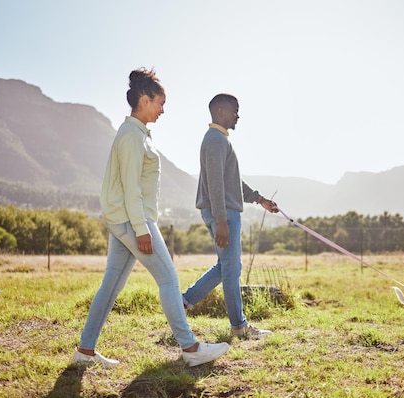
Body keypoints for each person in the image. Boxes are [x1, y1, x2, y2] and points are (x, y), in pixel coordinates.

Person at [73, 68, 229, 368]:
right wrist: (142, 229)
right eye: (160, 102)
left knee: (112, 284)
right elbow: (131, 188)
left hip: (124, 221)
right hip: (134, 221)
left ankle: (85, 351)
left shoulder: (135, 133)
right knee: (169, 279)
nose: (163, 109)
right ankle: (191, 348)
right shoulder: (132, 136)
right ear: (144, 99)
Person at [182, 93, 279, 339]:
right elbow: (215, 183)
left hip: (222, 211)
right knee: (232, 267)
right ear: (221, 111)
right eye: (235, 110)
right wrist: (222, 220)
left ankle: (183, 302)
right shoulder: (215, 140)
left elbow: (232, 181)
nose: (238, 115)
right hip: (223, 213)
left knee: (225, 266)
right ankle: (239, 326)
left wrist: (259, 199)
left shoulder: (219, 140)